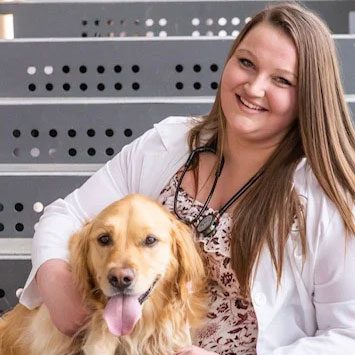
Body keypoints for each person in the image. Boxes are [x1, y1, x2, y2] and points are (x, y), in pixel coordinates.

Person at [19, 2, 355, 354]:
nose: (254, 87)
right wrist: (55, 277)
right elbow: (67, 215)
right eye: (246, 63)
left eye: (282, 80)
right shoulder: (167, 144)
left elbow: (348, 335)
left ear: (308, 97)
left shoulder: (327, 195)